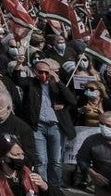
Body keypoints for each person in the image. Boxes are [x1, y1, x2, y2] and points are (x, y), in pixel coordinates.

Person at [17, 59, 76, 188]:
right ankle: (43, 187)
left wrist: (58, 82)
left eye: (46, 72)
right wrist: (18, 65)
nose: (43, 75)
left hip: (55, 127)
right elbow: (18, 81)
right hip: (38, 127)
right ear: (35, 72)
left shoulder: (56, 85)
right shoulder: (31, 83)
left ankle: (55, 187)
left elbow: (72, 100)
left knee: (56, 161)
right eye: (40, 72)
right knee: (41, 161)